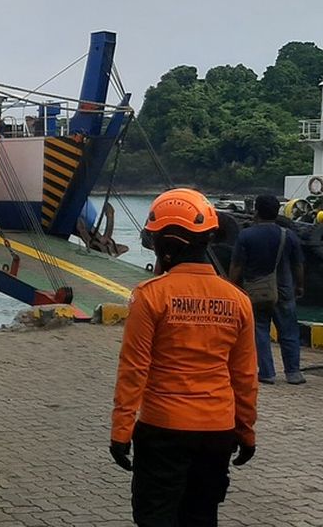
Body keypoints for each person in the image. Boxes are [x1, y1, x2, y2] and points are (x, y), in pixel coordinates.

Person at [110, 188, 257, 527]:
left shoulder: (150, 297)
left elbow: (134, 369)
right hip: (218, 431)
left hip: (163, 429)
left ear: (161, 244)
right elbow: (245, 375)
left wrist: (121, 430)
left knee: (156, 517)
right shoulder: (237, 301)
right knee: (201, 516)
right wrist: (246, 431)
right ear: (208, 238)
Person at [228, 193, 306, 385]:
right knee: (288, 331)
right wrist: (300, 285)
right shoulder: (289, 236)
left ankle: (267, 372)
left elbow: (237, 265)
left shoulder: (246, 235)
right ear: (277, 211)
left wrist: (231, 286)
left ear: (256, 211)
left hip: (256, 290)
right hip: (284, 290)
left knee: (260, 331)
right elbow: (298, 265)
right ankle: (293, 372)